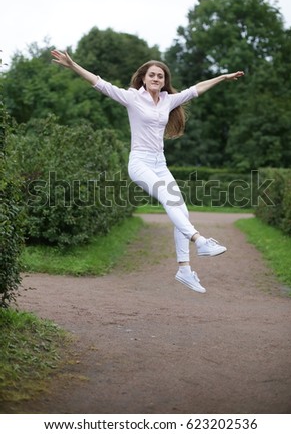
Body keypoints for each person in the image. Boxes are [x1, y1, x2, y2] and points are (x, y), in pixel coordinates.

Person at [51, 49, 244, 293]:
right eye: (152, 75)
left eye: (160, 76)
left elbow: (196, 89)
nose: (156, 79)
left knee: (181, 208)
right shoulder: (132, 97)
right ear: (143, 78)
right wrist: (72, 65)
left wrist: (222, 78)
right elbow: (99, 83)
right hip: (140, 163)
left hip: (159, 163)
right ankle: (200, 240)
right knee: (168, 198)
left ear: (164, 81)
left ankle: (184, 269)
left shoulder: (167, 100)